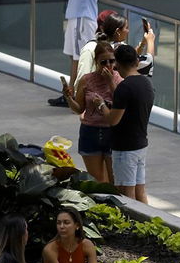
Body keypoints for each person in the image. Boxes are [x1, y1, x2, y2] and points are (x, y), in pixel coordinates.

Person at [96, 44, 154, 203]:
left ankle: (132, 225)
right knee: (140, 190)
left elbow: (113, 119)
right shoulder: (146, 83)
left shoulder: (125, 87)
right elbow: (128, 101)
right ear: (136, 61)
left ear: (118, 64)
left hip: (125, 148)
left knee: (126, 194)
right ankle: (149, 225)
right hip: (141, 144)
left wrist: (101, 105)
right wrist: (111, 84)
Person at [62, 41, 120, 183]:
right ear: (96, 62)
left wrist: (111, 82)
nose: (108, 66)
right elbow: (79, 109)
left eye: (111, 61)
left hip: (112, 133)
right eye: (103, 62)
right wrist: (68, 98)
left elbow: (121, 103)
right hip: (90, 132)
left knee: (115, 181)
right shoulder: (87, 80)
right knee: (98, 182)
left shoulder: (119, 79)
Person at [74, 11, 155, 81]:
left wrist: (143, 43)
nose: (128, 31)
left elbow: (132, 59)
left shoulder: (95, 46)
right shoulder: (116, 50)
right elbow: (147, 63)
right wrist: (150, 41)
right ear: (118, 31)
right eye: (126, 28)